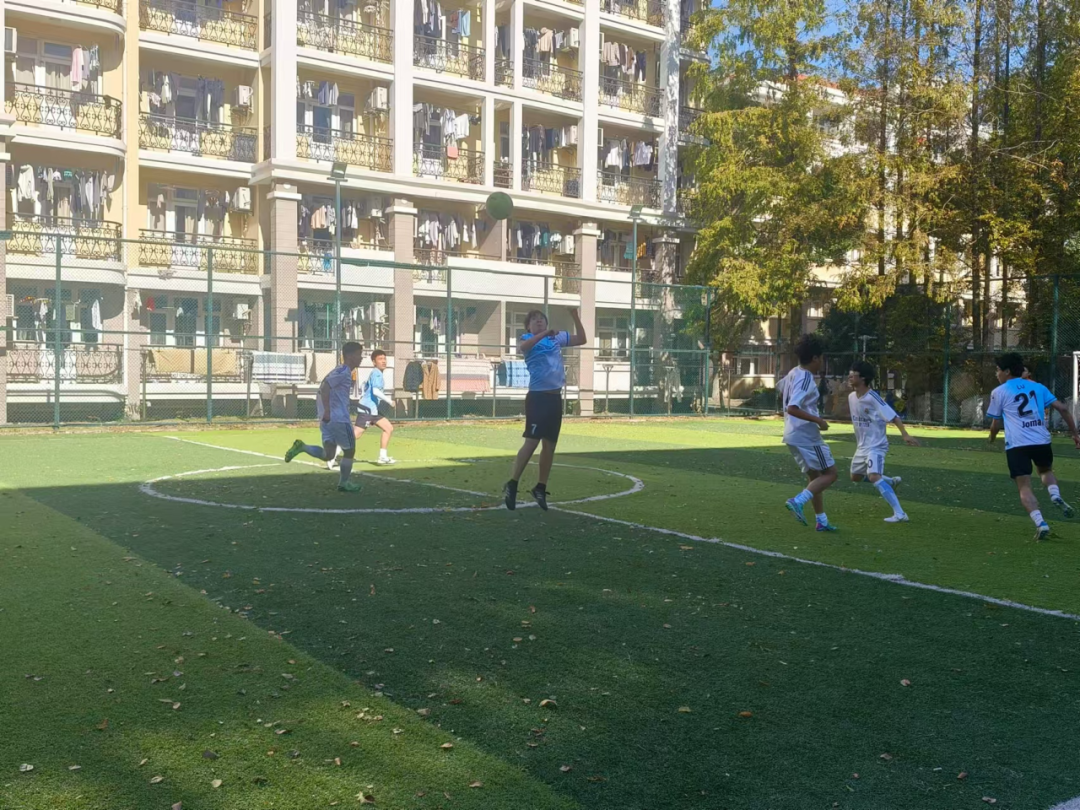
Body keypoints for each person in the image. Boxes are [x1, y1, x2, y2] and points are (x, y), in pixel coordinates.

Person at [987, 352, 1080, 539]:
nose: (996, 374)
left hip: (1017, 444)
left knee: (1024, 486)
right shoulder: (1038, 387)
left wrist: (991, 438)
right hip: (1041, 440)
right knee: (1045, 471)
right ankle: (1054, 494)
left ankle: (1040, 523)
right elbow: (1062, 408)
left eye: (997, 370)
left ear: (1007, 371)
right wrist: (1075, 434)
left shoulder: (999, 392)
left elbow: (996, 423)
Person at [503, 308, 587, 511]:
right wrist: (544, 334)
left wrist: (575, 316)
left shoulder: (555, 338)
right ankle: (512, 483)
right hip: (538, 398)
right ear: (528, 327)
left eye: (542, 319)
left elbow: (582, 339)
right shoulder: (527, 339)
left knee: (549, 445)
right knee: (532, 442)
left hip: (554, 398)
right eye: (534, 320)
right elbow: (523, 347)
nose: (539, 321)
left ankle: (540, 487)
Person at [284, 341, 364, 492]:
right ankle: (344, 483)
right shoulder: (344, 371)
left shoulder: (339, 371)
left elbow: (331, 392)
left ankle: (303, 447)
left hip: (327, 419)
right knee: (349, 451)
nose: (361, 358)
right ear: (350, 356)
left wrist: (354, 403)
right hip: (338, 418)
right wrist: (328, 410)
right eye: (359, 354)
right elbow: (326, 388)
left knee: (329, 454)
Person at [847, 360, 920, 522]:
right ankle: (890, 482)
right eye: (850, 373)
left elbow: (893, 416)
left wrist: (905, 435)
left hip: (876, 445)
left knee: (874, 476)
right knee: (855, 477)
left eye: (853, 374)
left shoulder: (873, 397)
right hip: (862, 446)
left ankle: (900, 514)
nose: (849, 376)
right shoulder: (851, 397)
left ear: (863, 377)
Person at [782, 334, 840, 531]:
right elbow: (792, 407)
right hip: (806, 435)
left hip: (792, 434)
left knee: (815, 478)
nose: (821, 362)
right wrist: (819, 420)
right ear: (815, 358)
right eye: (821, 358)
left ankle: (821, 521)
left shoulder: (793, 373)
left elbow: (782, 392)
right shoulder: (806, 377)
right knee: (831, 473)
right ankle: (798, 501)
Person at [355, 349, 397, 465]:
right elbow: (375, 391)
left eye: (384, 359)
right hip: (367, 409)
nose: (383, 361)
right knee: (357, 434)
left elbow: (367, 388)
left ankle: (382, 457)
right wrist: (389, 401)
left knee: (388, 428)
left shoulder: (377, 373)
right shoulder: (376, 373)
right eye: (380, 359)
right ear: (374, 362)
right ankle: (334, 451)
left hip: (373, 410)